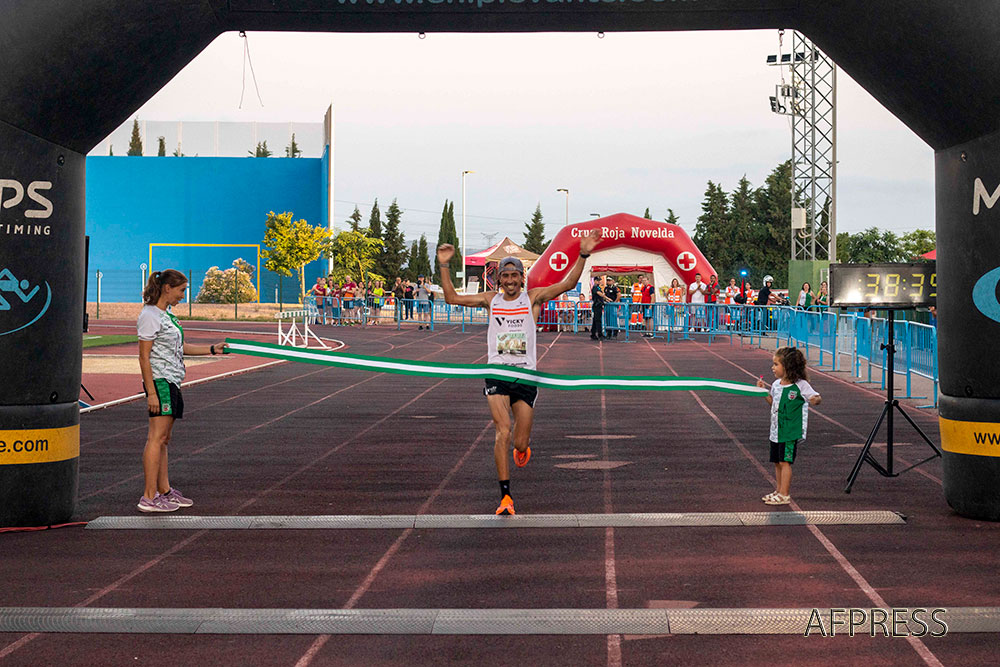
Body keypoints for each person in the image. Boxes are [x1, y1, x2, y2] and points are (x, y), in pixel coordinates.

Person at [436, 230, 602, 515]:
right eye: (505, 276)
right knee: (502, 431)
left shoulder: (533, 298)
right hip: (497, 374)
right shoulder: (491, 300)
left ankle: (522, 448)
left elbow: (568, 283)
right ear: (498, 279)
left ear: (522, 278)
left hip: (525, 377)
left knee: (519, 442)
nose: (510, 281)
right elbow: (451, 298)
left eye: (515, 276)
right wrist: (443, 264)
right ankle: (505, 497)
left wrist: (583, 254)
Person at [137, 269, 227, 513]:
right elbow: (144, 356)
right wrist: (153, 393)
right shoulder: (150, 315)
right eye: (181, 291)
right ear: (167, 288)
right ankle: (148, 497)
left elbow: (181, 347)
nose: (183, 296)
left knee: (164, 438)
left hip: (173, 380)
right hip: (160, 381)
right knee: (156, 437)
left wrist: (211, 349)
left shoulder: (167, 315)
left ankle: (164, 491)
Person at [755, 347, 821, 506]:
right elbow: (773, 404)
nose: (773, 367)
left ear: (788, 367)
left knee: (785, 462)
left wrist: (814, 400)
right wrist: (764, 392)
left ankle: (785, 494)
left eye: (776, 364)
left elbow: (816, 397)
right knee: (777, 462)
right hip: (776, 430)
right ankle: (778, 490)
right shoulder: (776, 384)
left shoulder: (800, 385)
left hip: (790, 431)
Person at [590, 275, 607, 340]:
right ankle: (600, 334)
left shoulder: (599, 287)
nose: (599, 282)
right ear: (595, 281)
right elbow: (599, 294)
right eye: (598, 280)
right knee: (598, 321)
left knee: (595, 320)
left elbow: (601, 295)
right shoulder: (595, 287)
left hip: (599, 305)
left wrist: (606, 299)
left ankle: (593, 334)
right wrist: (606, 297)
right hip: (597, 305)